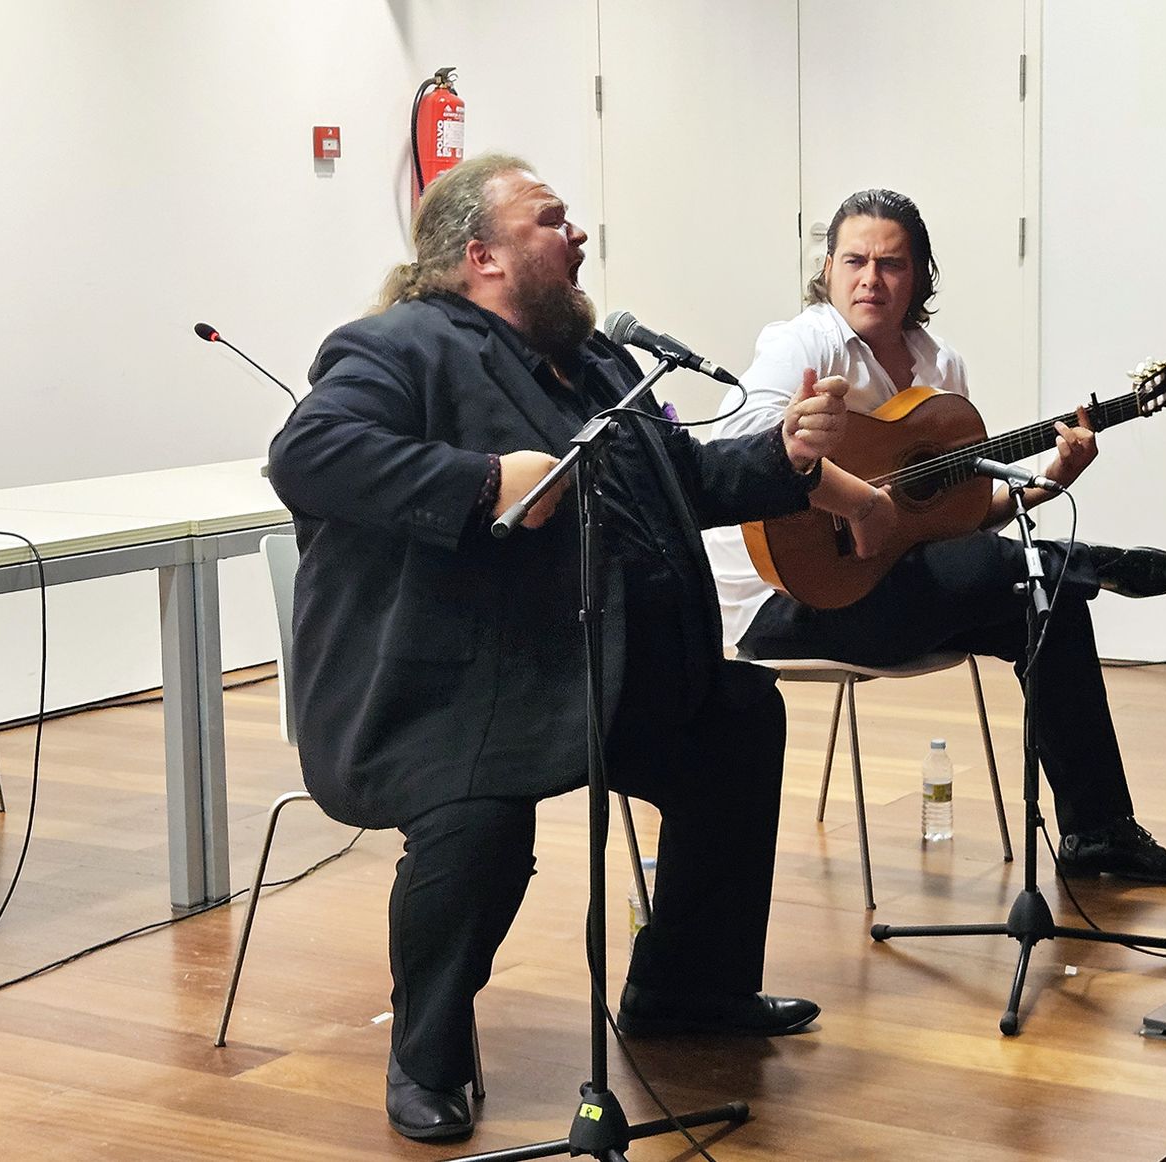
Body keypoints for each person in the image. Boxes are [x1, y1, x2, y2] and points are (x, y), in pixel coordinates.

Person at [268, 153, 849, 1143]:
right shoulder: (395, 347)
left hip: (606, 672)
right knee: (479, 819)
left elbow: (685, 475)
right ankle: (427, 1050)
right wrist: (483, 480)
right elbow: (308, 454)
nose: (577, 236)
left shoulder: (601, 365)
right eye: (552, 220)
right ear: (479, 255)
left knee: (737, 721)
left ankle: (685, 989)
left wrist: (784, 458)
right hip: (460, 693)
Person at [704, 188, 1166, 883]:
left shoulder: (940, 371)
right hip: (789, 599)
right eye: (853, 260)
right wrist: (856, 502)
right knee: (1035, 573)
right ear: (827, 268)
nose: (870, 279)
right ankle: (1088, 560)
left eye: (891, 264)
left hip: (898, 588)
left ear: (919, 277)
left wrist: (1050, 480)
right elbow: (738, 447)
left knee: (1049, 598)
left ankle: (1100, 832)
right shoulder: (805, 342)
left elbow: (956, 522)